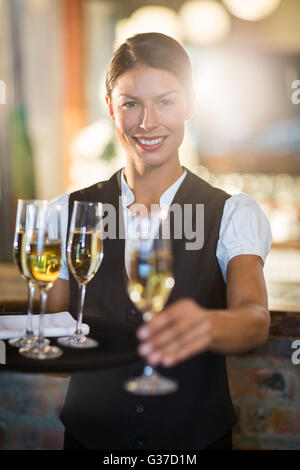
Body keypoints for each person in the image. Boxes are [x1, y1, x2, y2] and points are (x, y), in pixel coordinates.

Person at [48, 32, 272, 450]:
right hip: (90, 440)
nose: (148, 121)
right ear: (111, 108)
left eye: (165, 101)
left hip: (195, 443)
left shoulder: (232, 212)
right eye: (131, 103)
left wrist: (208, 325)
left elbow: (255, 320)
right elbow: (55, 339)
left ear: (189, 104)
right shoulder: (69, 212)